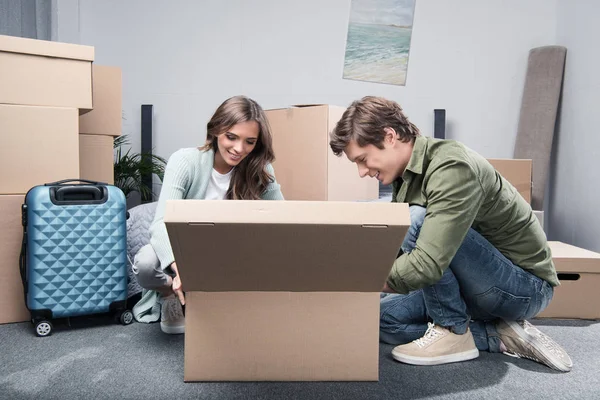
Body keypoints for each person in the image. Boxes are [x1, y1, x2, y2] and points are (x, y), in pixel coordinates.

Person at [329, 96, 573, 372]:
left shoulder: (452, 166)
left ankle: (452, 330)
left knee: (417, 220)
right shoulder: (406, 177)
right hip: (473, 284)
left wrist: (365, 280)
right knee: (380, 318)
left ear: (390, 136)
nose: (362, 172)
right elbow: (403, 253)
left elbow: (427, 263)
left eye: (362, 159)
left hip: (523, 287)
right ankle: (496, 335)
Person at [131, 95, 284, 334]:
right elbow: (160, 222)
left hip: (227, 251)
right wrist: (179, 267)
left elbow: (281, 219)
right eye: (231, 137)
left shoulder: (260, 169)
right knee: (146, 263)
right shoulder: (185, 161)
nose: (239, 149)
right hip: (182, 249)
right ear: (216, 131)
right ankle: (169, 294)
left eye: (250, 142)